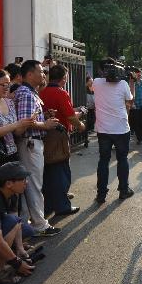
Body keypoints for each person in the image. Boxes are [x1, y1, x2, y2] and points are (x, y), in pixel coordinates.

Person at [13, 60, 62, 236]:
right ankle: (40, 225)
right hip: (30, 143)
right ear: (29, 74)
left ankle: (28, 224)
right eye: (41, 71)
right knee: (34, 185)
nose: (43, 75)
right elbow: (24, 123)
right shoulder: (26, 93)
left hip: (30, 143)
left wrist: (44, 118)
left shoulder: (30, 92)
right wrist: (45, 124)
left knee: (28, 185)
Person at [39, 64, 84, 217]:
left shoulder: (41, 91)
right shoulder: (61, 93)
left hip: (43, 135)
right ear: (64, 78)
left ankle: (49, 204)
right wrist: (81, 125)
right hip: (58, 136)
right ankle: (62, 206)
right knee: (60, 171)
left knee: (48, 171)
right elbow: (70, 116)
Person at [93, 61, 135, 202]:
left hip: (103, 129)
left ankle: (101, 194)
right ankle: (124, 190)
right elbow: (130, 101)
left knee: (103, 161)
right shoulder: (123, 84)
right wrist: (131, 82)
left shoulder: (97, 82)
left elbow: (92, 87)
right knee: (122, 159)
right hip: (121, 129)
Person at [129, 68, 142, 145]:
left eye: (140, 73)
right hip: (135, 106)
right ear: (134, 74)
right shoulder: (132, 83)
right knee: (136, 123)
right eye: (137, 73)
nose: (139, 75)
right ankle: (139, 138)